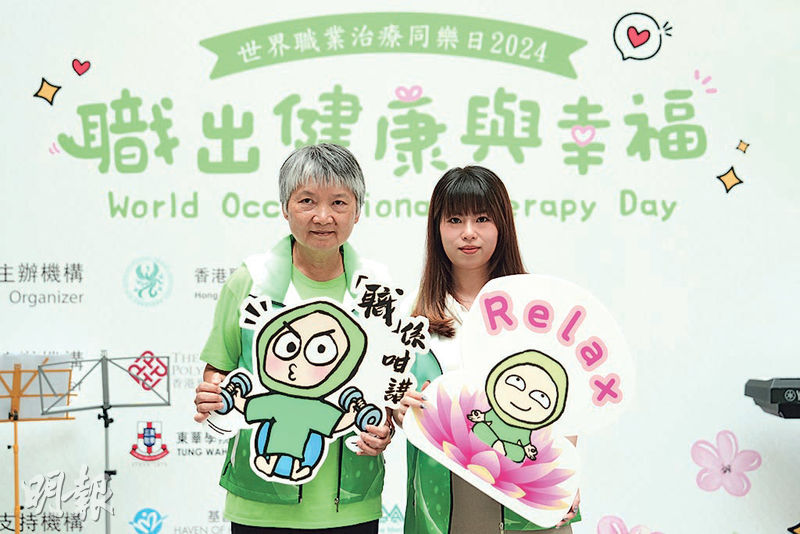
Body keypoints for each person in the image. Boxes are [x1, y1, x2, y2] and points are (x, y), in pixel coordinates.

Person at [194, 143, 392, 534]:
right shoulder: (249, 281)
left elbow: (386, 383)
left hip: (351, 503)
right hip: (260, 502)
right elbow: (219, 367)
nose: (323, 216)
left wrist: (382, 428)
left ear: (357, 210)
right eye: (307, 201)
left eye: (338, 202)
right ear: (285, 207)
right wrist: (213, 394)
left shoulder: (377, 287)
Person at [394, 166, 580, 533]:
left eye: (482, 219)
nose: (468, 232)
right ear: (436, 228)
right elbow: (399, 407)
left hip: (528, 490)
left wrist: (564, 480)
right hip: (448, 492)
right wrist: (401, 411)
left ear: (502, 225)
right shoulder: (409, 316)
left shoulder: (537, 308)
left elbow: (566, 407)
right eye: (454, 220)